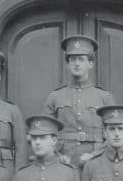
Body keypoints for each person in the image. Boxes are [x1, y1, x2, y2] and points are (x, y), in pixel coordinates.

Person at [43, 35, 116, 167]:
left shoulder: (104, 97)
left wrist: (94, 155)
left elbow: (114, 133)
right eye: (73, 59)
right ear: (67, 64)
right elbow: (45, 132)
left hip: (96, 161)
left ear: (91, 63)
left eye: (81, 59)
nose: (76, 63)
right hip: (63, 161)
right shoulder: (55, 96)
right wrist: (57, 155)